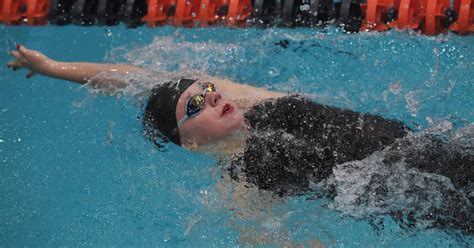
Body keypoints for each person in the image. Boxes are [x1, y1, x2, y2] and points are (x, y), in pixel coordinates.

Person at [7, 45, 473, 234]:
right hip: (442, 203)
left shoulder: (253, 103)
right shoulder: (241, 187)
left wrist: (52, 68)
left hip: (445, 148)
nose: (212, 99)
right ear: (189, 143)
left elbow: (137, 78)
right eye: (196, 108)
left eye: (208, 91)